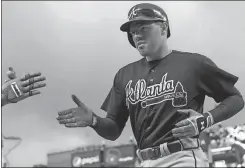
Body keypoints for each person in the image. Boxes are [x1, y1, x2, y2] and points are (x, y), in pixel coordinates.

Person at [56, 3, 244, 167]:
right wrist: (94, 121)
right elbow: (113, 129)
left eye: (143, 28)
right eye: (133, 32)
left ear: (163, 28)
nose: (136, 35)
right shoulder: (124, 75)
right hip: (144, 161)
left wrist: (206, 119)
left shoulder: (193, 64)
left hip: (182, 157)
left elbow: (235, 98)